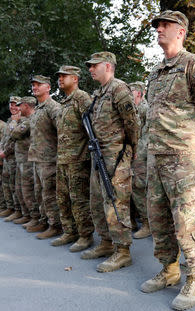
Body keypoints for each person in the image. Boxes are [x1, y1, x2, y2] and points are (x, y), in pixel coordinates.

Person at [140, 11, 195, 310]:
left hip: (182, 156)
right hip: (156, 155)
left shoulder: (193, 64)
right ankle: (169, 269)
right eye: (157, 26)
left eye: (165, 25)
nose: (159, 29)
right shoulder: (156, 72)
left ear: (181, 32)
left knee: (186, 218)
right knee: (159, 217)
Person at [82, 51, 140, 273]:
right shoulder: (98, 94)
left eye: (94, 65)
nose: (91, 69)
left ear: (107, 66)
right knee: (97, 201)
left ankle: (122, 251)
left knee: (116, 203)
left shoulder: (119, 89)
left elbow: (132, 124)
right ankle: (106, 243)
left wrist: (131, 148)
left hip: (115, 155)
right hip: (99, 154)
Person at [51, 65, 94, 252]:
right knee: (63, 198)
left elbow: (92, 128)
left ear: (75, 78)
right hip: (63, 159)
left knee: (79, 200)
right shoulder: (65, 102)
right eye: (59, 77)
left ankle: (85, 235)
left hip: (78, 159)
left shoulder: (82, 98)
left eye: (64, 76)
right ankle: (70, 231)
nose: (60, 79)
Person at [27, 75, 62, 239]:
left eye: (39, 85)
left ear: (48, 87)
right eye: (33, 85)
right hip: (37, 158)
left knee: (49, 194)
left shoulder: (53, 107)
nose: (35, 88)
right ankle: (44, 220)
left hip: (49, 159)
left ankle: (55, 225)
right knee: (40, 192)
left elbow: (62, 131)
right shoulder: (38, 109)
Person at [10, 97, 41, 227]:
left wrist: (13, 123)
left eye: (20, 106)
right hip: (22, 159)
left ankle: (35, 217)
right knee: (21, 189)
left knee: (28, 190)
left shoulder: (29, 120)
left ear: (27, 106)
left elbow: (14, 134)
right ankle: (28, 215)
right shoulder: (26, 120)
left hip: (28, 160)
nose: (18, 108)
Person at [128, 81, 151, 239]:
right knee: (132, 187)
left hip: (141, 155)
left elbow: (147, 134)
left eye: (132, 91)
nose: (129, 94)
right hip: (133, 154)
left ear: (139, 93)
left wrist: (138, 153)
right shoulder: (134, 109)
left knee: (139, 187)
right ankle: (134, 220)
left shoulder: (145, 109)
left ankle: (147, 223)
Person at [0, 96, 22, 219]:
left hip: (15, 158)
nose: (13, 107)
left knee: (15, 185)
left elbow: (14, 139)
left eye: (16, 104)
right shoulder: (10, 120)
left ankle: (18, 210)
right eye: (11, 104)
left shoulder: (20, 120)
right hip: (6, 158)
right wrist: (1, 152)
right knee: (7, 184)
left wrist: (5, 152)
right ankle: (10, 208)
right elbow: (4, 139)